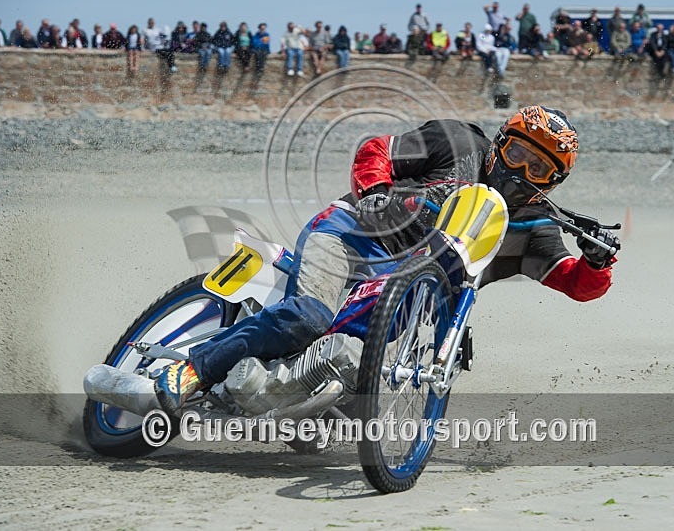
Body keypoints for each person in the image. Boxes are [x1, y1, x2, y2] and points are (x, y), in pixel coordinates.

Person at [153, 106, 620, 414]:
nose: (520, 172)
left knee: (364, 365)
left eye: (537, 168)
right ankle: (193, 368)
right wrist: (375, 191)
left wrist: (597, 263)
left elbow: (574, 282)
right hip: (351, 234)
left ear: (552, 182)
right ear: (501, 142)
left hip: (398, 286)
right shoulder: (456, 142)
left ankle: (298, 392)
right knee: (308, 315)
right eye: (517, 153)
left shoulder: (535, 227)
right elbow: (378, 150)